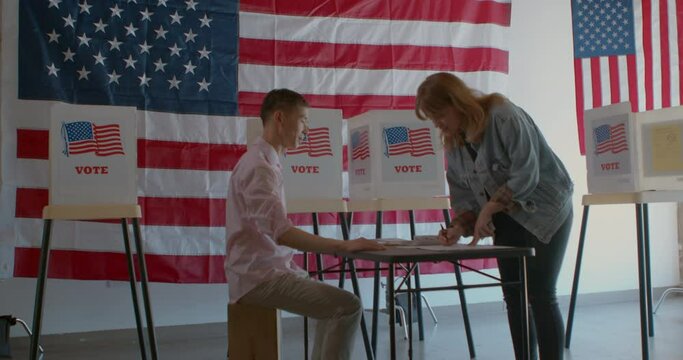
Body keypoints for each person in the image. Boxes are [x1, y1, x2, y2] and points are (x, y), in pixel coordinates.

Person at [415, 72, 573, 360]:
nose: (437, 123)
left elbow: (527, 173)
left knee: (540, 294)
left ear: (456, 101)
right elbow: (465, 199)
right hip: (507, 217)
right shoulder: (455, 143)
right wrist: (457, 227)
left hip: (547, 212)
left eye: (438, 114)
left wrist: (488, 209)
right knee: (514, 295)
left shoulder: (503, 115)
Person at [224, 88, 385, 360]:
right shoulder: (259, 167)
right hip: (257, 278)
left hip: (265, 270)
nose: (307, 129)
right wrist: (343, 245)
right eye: (303, 120)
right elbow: (283, 233)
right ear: (280, 118)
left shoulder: (265, 161)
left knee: (333, 306)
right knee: (348, 306)